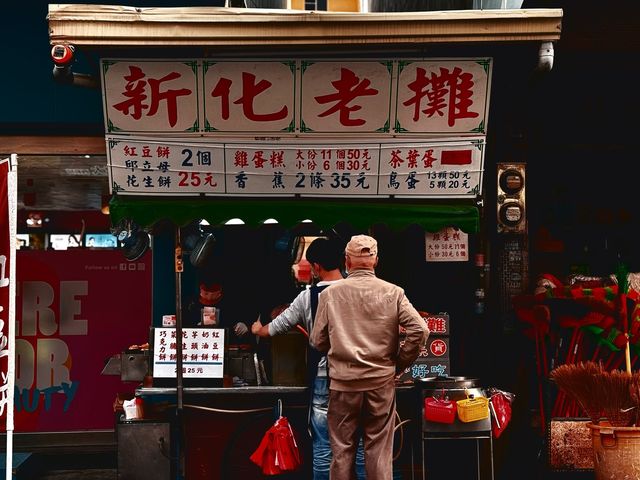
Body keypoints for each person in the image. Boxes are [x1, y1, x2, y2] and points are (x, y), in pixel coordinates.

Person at [310, 234, 429, 480]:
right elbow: (421, 330)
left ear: (347, 261)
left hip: (343, 385)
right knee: (378, 452)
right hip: (380, 383)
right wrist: (398, 363)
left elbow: (317, 340)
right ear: (375, 261)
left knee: (341, 452)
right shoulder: (394, 293)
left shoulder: (330, 295)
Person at [251, 237, 366, 480]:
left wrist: (258, 329)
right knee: (360, 446)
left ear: (315, 267)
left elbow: (277, 326)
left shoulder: (308, 297)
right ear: (342, 261)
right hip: (359, 379)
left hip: (325, 378)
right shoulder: (360, 292)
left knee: (324, 446)